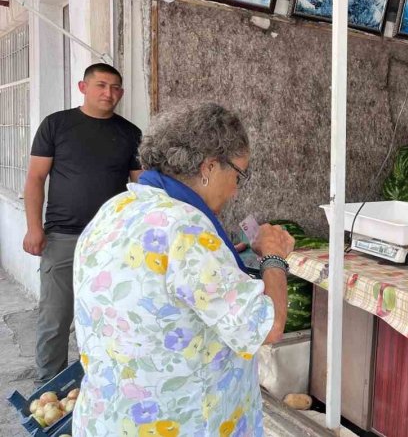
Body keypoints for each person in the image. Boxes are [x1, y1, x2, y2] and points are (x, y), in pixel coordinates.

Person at [72, 103, 294, 436]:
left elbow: (158, 281)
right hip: (177, 424)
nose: (236, 190)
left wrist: (218, 261)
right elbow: (268, 327)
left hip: (108, 418)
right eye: (238, 175)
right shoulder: (187, 231)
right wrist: (274, 258)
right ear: (209, 167)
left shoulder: (116, 208)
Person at [22, 63, 142, 386]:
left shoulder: (130, 134)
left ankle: (101, 386)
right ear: (82, 87)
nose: (109, 93)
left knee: (108, 316)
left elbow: (141, 189)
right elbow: (35, 179)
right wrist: (34, 227)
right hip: (62, 238)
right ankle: (50, 390)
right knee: (55, 318)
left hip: (111, 243)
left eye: (116, 87)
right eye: (101, 85)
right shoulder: (56, 125)